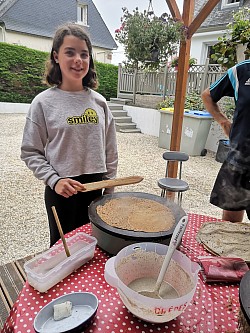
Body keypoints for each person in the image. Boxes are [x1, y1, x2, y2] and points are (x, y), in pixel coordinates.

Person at [21, 23, 118, 246]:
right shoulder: (43, 103)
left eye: (84, 54)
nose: (78, 60)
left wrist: (109, 188)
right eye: (70, 52)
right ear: (56, 56)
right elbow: (30, 151)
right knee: (62, 251)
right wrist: (54, 180)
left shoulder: (100, 103)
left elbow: (110, 150)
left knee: (94, 247)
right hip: (61, 192)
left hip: (96, 191)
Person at [201, 59, 250, 223]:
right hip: (240, 158)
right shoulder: (241, 71)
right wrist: (223, 121)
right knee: (229, 224)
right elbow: (207, 95)